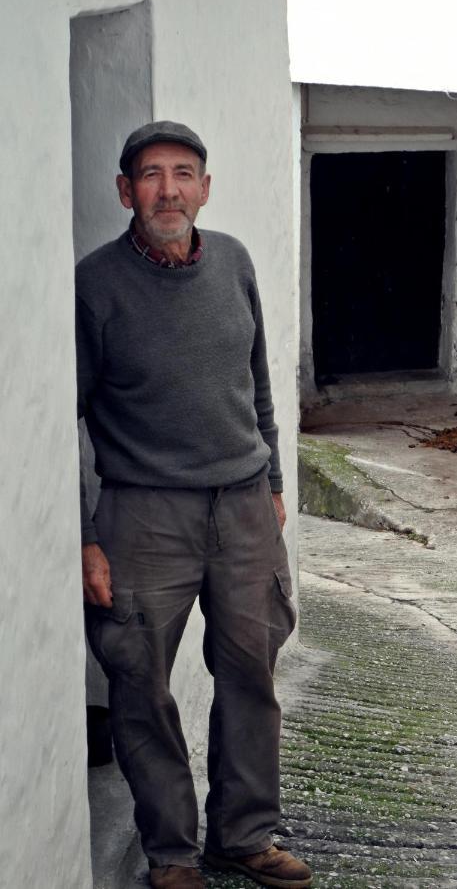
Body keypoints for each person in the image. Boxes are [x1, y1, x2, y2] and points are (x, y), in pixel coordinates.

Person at [77, 121, 312, 889]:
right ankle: (172, 853)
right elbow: (57, 422)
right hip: (143, 516)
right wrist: (85, 537)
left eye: (183, 173)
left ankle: (243, 834)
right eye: (150, 175)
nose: (168, 190)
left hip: (243, 508)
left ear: (205, 187)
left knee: (251, 676)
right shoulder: (95, 285)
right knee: (139, 686)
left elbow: (259, 384)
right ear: (125, 191)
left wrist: (273, 481)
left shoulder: (234, 262)